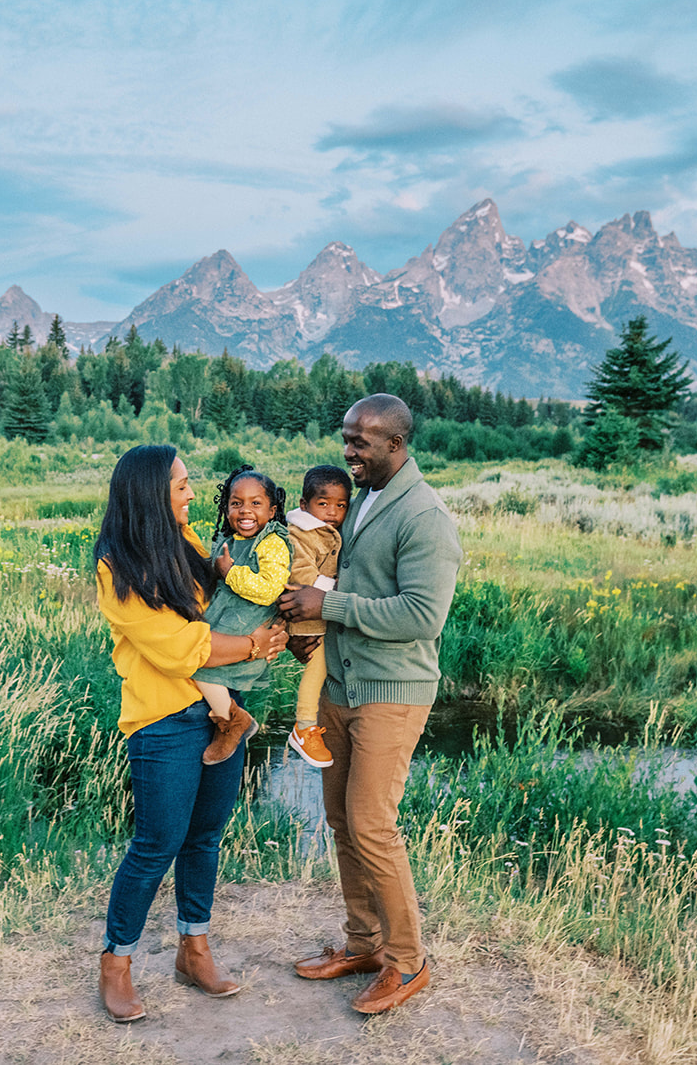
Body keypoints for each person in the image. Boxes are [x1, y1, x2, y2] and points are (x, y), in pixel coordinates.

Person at [278, 394, 463, 1015]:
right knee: (341, 821)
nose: (348, 451)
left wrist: (326, 608)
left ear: (397, 445)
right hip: (340, 689)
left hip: (391, 694)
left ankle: (408, 963)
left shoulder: (426, 516)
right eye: (347, 437)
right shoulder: (364, 500)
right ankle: (364, 944)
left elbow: (422, 615)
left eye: (362, 441)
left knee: (372, 826)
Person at [93, 444, 289, 1023]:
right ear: (152, 492)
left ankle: (193, 948)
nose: (191, 492)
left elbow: (225, 609)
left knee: (205, 836)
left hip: (221, 711)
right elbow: (181, 648)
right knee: (157, 843)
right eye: (180, 484)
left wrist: (274, 631)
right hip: (162, 721)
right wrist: (254, 646)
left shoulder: (192, 544)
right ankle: (116, 963)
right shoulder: (117, 565)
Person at [192, 466, 292, 765]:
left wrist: (230, 572)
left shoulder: (272, 542)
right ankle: (230, 716)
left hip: (248, 622)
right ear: (226, 507)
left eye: (255, 504)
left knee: (201, 667)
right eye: (236, 503)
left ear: (273, 511)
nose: (245, 511)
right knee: (197, 659)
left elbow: (270, 590)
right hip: (230, 618)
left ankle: (232, 721)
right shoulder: (230, 537)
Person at [283, 465, 350, 768]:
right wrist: (334, 591)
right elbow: (300, 572)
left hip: (323, 612)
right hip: (306, 612)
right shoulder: (300, 533)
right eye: (323, 504)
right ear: (304, 505)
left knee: (326, 664)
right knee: (318, 665)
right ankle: (303, 725)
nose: (332, 512)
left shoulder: (327, 530)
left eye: (340, 505)